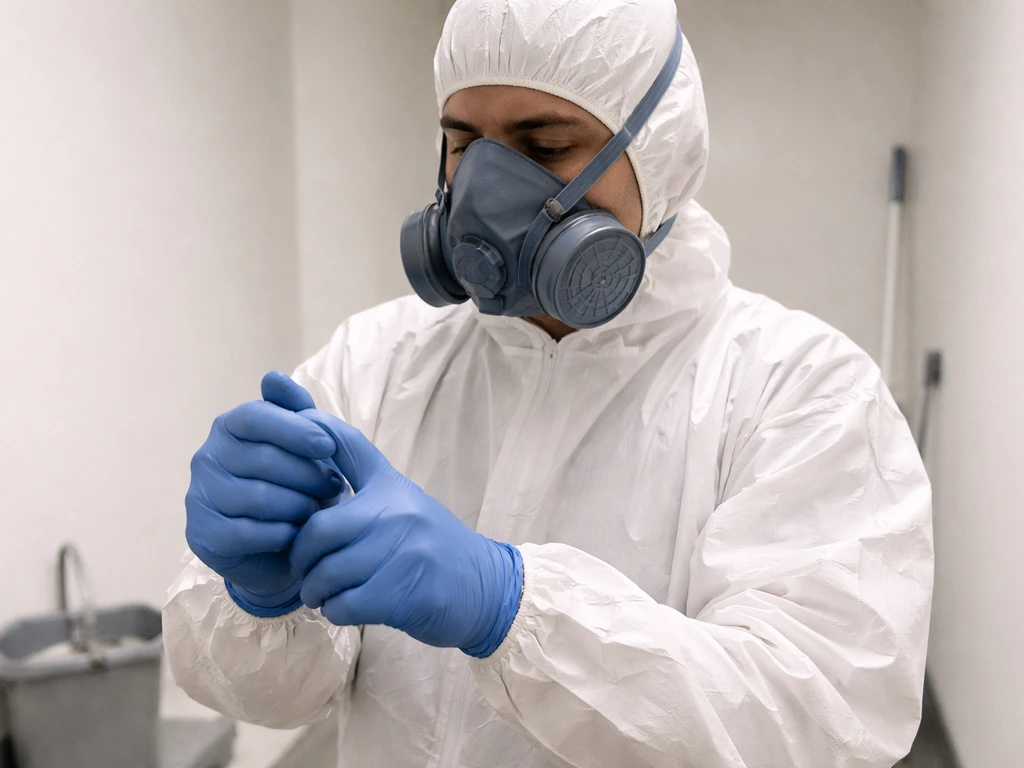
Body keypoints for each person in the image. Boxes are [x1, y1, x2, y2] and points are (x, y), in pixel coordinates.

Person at [163, 0, 934, 766]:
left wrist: (510, 607)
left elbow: (816, 722)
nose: (487, 194)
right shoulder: (376, 363)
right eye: (464, 142)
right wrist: (261, 600)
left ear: (657, 158)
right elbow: (270, 697)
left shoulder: (802, 392)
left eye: (547, 145)